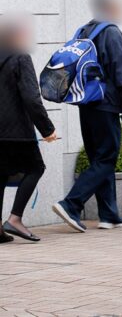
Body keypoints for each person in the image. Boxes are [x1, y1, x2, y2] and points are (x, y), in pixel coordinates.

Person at [53, 0, 122, 233]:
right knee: (106, 157)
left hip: (86, 103)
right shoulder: (111, 32)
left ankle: (109, 214)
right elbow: (121, 70)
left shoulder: (84, 31)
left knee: (99, 158)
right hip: (106, 104)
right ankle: (71, 204)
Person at [0, 14, 57, 243]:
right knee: (36, 168)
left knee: (0, 176)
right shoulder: (20, 57)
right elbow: (32, 98)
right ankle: (15, 219)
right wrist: (47, 129)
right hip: (17, 132)